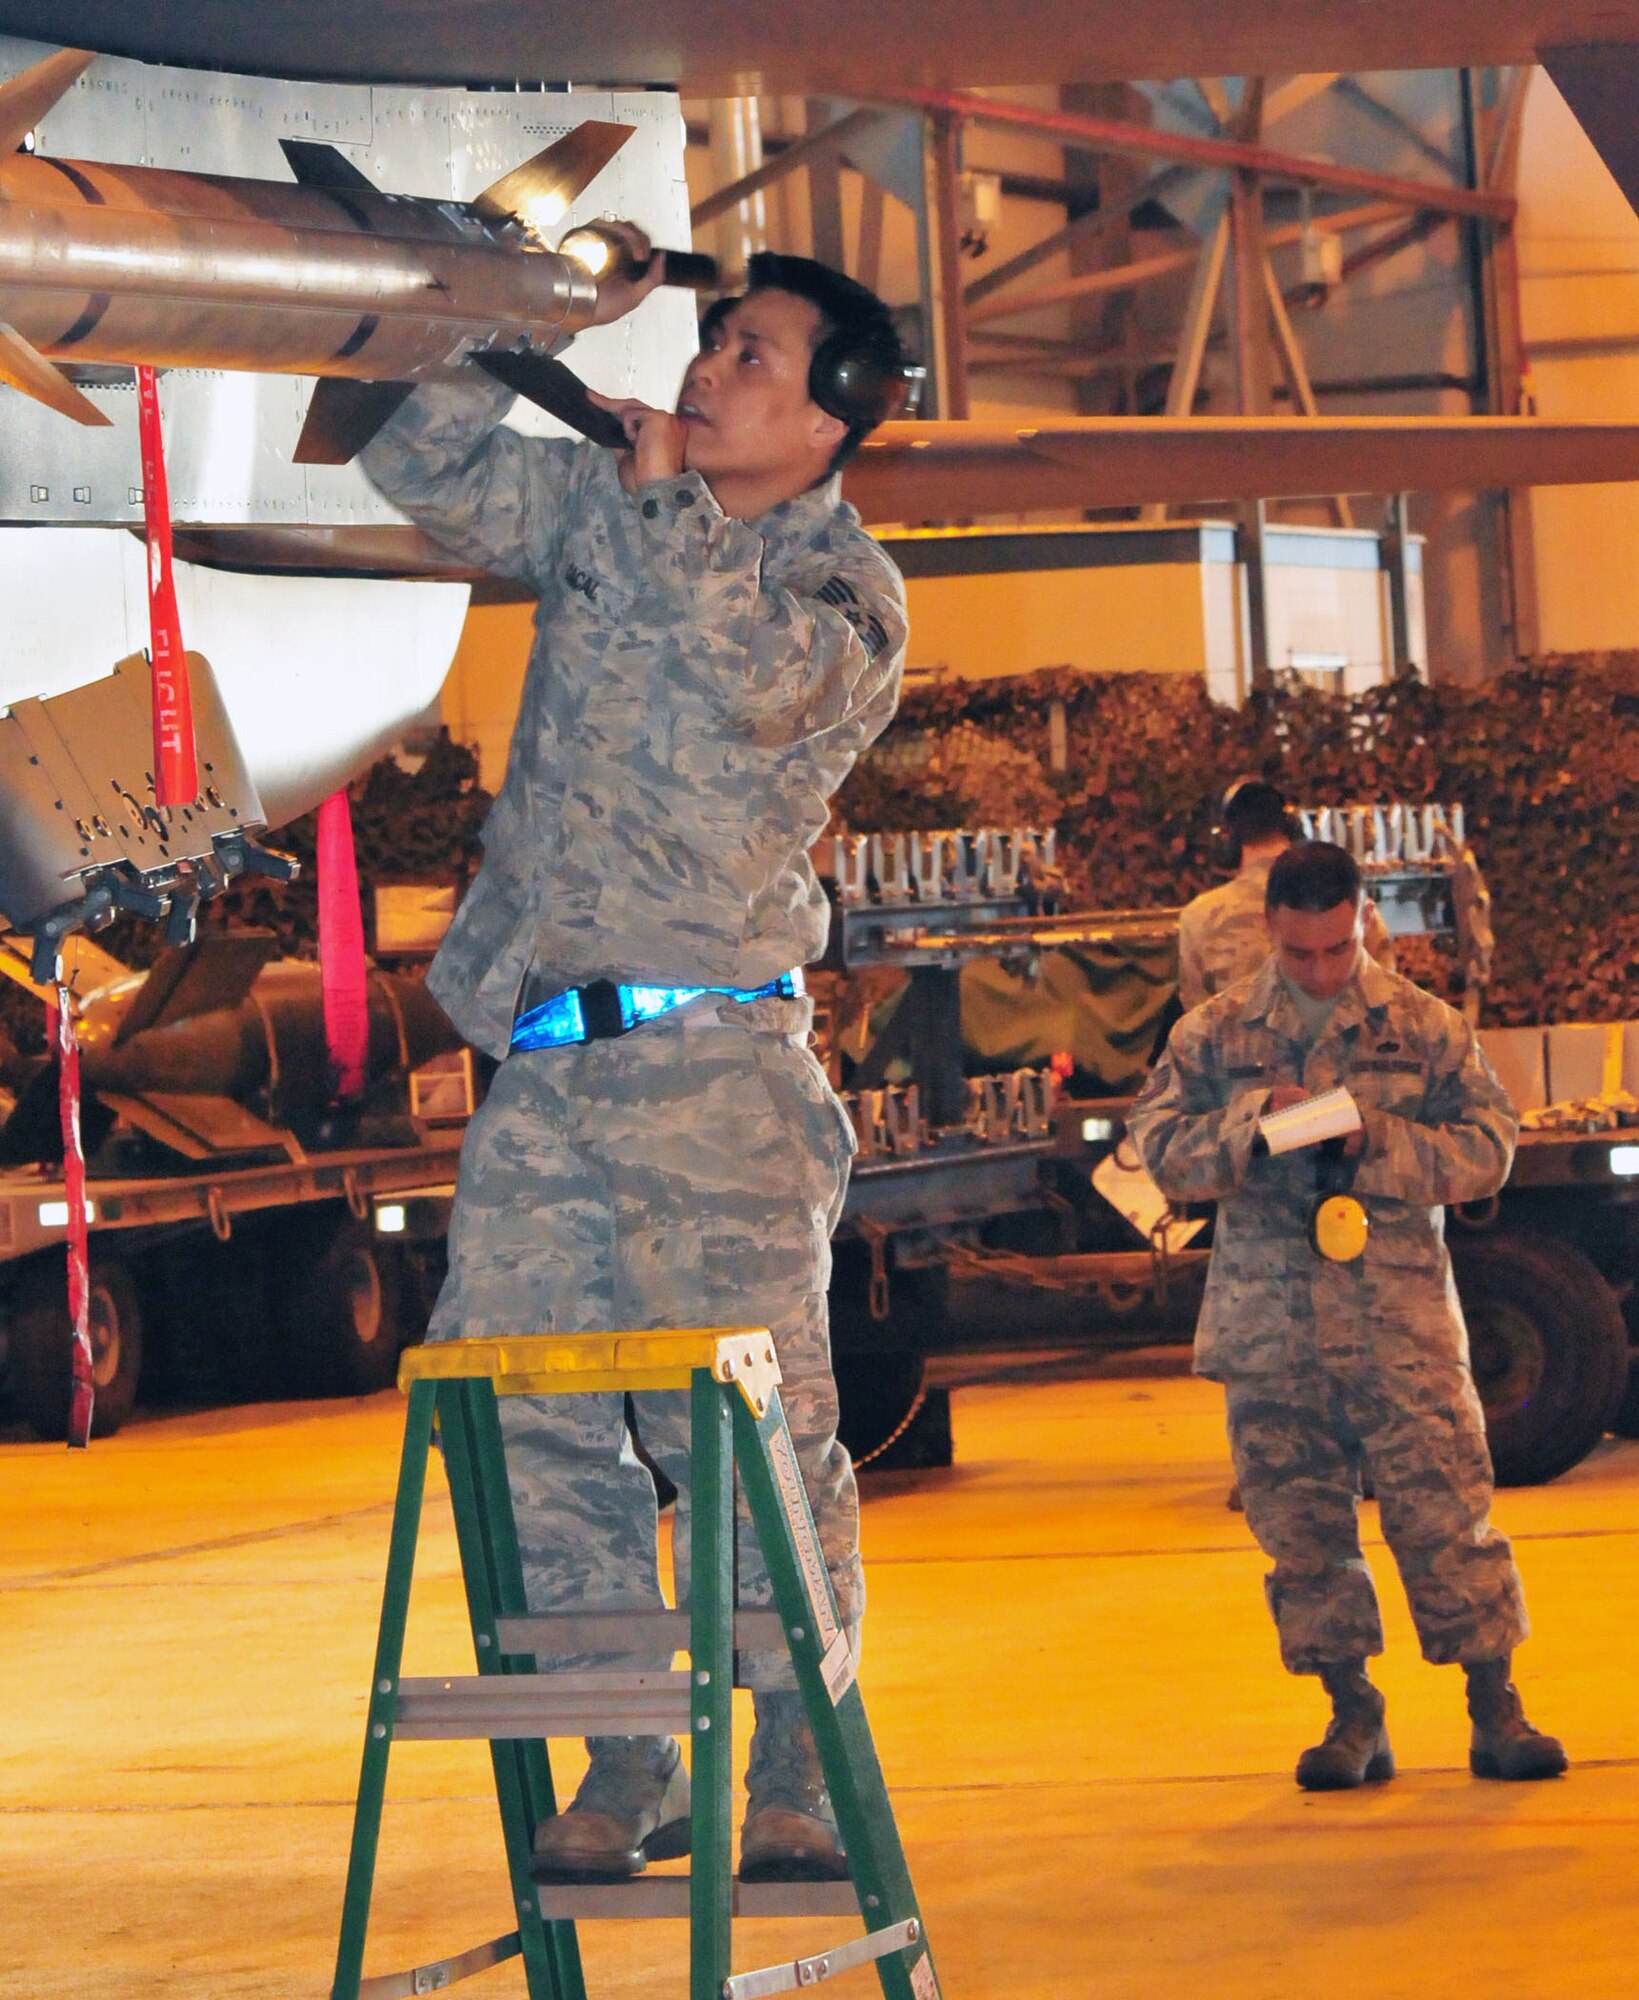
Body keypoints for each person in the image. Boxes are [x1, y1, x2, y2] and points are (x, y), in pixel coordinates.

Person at [361, 237, 915, 1881]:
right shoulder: (608, 503)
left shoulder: (845, 599)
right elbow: (422, 460)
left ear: (831, 421)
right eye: (715, 338)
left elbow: (745, 692)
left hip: (713, 1081)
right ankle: (628, 1755)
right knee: (520, 1424)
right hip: (542, 1072)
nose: (706, 367)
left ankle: (798, 1771)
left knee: (736, 1439)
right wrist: (513, 323)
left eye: (751, 357)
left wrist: (661, 496)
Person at [1128, 840, 1566, 1791]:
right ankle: (1350, 1715)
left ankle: (1496, 1707)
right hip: (1272, 1327)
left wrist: (1377, 1142)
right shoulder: (1214, 1034)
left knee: (1447, 1514)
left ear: (1361, 922)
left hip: (1397, 1322)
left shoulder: (1424, 1027)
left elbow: (1489, 1148)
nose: (1320, 971)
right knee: (1300, 1530)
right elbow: (1156, 1154)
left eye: (1334, 950)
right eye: (1299, 954)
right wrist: (1251, 1120)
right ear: (1271, 935)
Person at [1177, 778, 1396, 1011]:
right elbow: (1387, 999)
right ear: (1293, 830)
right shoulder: (1350, 906)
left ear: (1227, 839)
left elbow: (1197, 1019)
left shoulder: (1198, 918)